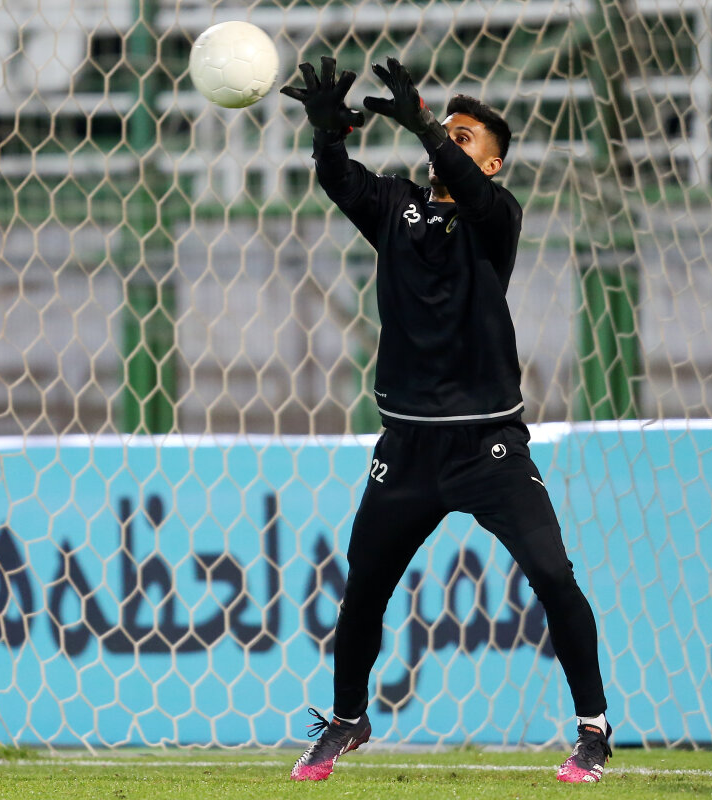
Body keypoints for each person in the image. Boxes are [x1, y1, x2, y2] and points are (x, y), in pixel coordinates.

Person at [279, 56, 612, 784]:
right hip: (407, 446)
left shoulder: (497, 218)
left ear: (491, 164)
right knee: (364, 586)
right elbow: (340, 182)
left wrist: (431, 128)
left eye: (466, 140)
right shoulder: (396, 208)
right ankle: (347, 719)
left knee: (553, 574)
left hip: (487, 443)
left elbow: (472, 193)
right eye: (447, 135)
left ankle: (593, 731)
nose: (448, 147)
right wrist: (327, 134)